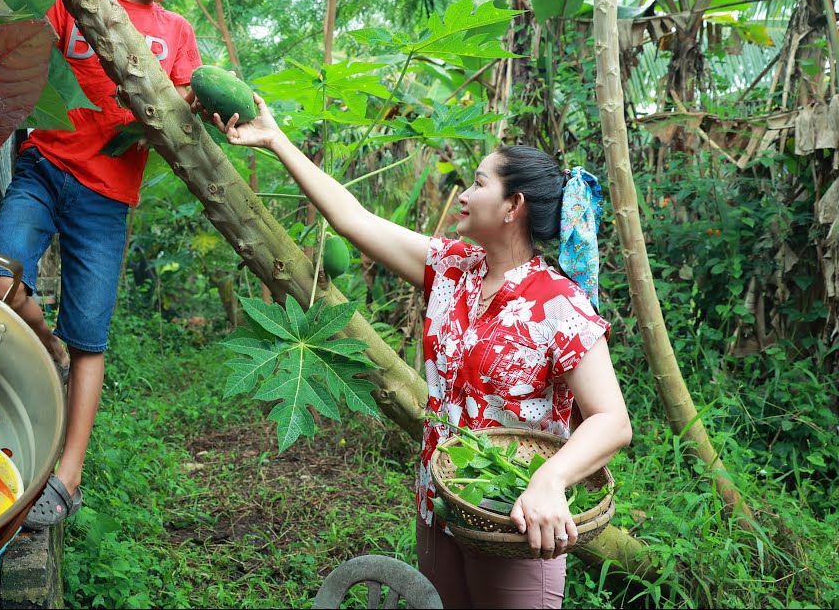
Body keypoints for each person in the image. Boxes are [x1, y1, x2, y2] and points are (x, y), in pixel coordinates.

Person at [195, 93, 633, 609]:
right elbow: (352, 219)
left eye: (478, 183)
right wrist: (275, 140)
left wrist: (549, 480)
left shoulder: (559, 302)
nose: (463, 193)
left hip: (514, 516)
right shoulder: (452, 267)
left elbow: (612, 420)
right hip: (439, 500)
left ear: (513, 207)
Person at [0, 0, 204, 529]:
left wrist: (203, 102)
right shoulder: (77, 3)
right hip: (44, 168)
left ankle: (68, 477)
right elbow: (29, 63)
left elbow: (186, 101)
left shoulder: (176, 32)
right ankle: (42, 343)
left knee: (90, 336)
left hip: (108, 197)